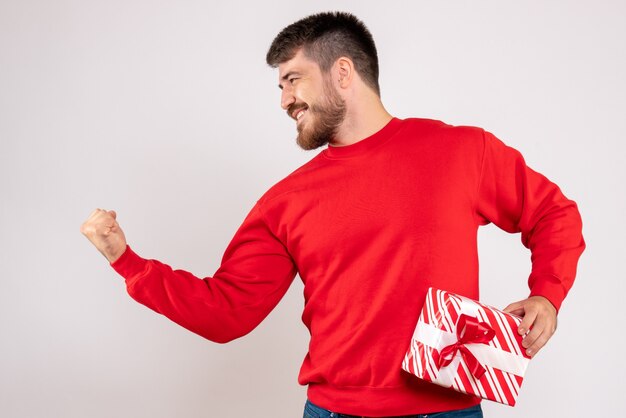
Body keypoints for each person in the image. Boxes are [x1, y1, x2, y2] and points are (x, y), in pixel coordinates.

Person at [80, 11, 585, 418]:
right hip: (333, 414)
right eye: (280, 87)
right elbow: (226, 312)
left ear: (342, 72)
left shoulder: (461, 152)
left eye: (292, 80)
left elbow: (554, 214)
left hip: (449, 412)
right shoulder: (286, 201)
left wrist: (548, 294)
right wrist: (127, 261)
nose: (284, 100)